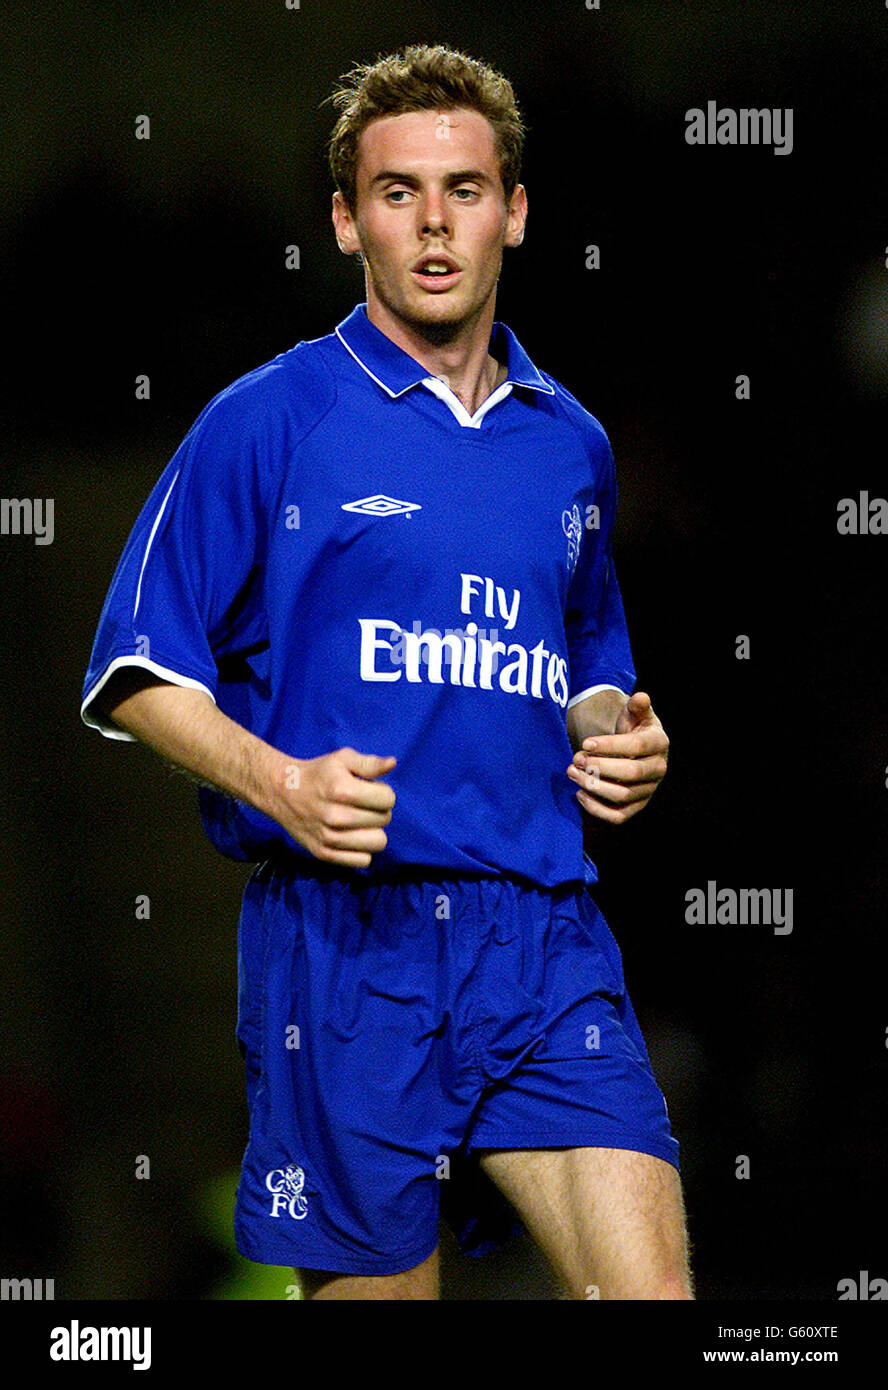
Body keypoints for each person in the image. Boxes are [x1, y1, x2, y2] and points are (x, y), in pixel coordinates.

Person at [81, 43, 692, 1301]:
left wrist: (619, 734)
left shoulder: (569, 442)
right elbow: (135, 669)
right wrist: (282, 782)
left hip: (544, 935)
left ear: (514, 213)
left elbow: (586, 651)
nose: (433, 223)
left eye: (464, 189)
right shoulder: (270, 417)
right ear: (346, 219)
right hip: (345, 950)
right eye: (398, 191)